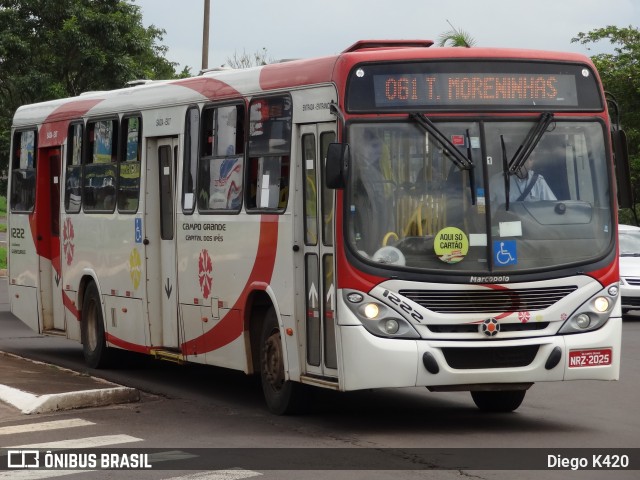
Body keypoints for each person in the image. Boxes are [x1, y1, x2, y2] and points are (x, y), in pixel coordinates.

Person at [489, 151, 556, 210]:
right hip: (504, 222)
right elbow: (485, 207)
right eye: (528, 157)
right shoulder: (497, 180)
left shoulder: (538, 181)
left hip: (531, 223)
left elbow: (552, 206)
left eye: (532, 158)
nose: (531, 160)